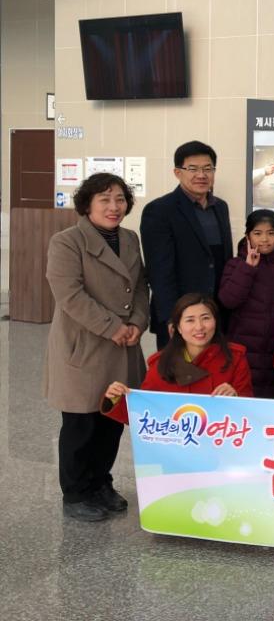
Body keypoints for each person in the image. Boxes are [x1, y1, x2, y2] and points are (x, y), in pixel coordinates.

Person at [44, 173, 149, 522]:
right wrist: (112, 327)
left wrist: (138, 322)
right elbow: (69, 295)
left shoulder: (129, 238)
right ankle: (75, 493)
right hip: (85, 346)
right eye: (104, 199)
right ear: (87, 204)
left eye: (120, 199)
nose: (114, 206)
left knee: (111, 421)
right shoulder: (67, 241)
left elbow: (140, 286)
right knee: (81, 423)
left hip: (123, 346)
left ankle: (101, 483)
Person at [102, 293, 253, 425]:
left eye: (205, 318)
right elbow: (144, 414)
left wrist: (236, 398)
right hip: (175, 446)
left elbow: (250, 413)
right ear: (177, 328)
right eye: (190, 320)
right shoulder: (161, 364)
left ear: (215, 321)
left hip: (219, 442)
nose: (199, 327)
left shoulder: (235, 358)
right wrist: (116, 398)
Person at [141, 140, 232, 348]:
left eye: (207, 169)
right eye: (193, 169)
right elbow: (159, 272)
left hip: (213, 315)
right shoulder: (159, 210)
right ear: (177, 172)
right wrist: (172, 317)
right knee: (178, 368)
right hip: (180, 318)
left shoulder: (220, 207)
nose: (201, 175)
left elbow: (222, 261)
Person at [217, 209, 274, 398]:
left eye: (271, 233)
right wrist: (248, 268)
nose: (264, 239)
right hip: (243, 347)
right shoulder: (236, 264)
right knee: (244, 396)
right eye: (257, 233)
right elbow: (228, 300)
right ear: (248, 236)